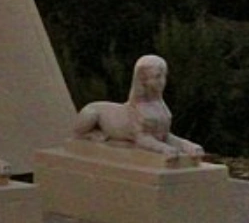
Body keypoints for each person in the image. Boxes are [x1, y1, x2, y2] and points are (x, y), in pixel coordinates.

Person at [69, 53, 204, 159]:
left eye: (164, 76)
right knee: (91, 113)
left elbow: (163, 135)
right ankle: (86, 134)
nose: (162, 82)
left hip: (150, 124)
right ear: (143, 80)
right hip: (95, 114)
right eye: (157, 77)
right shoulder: (136, 110)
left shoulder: (161, 108)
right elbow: (142, 138)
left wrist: (186, 145)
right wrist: (163, 148)